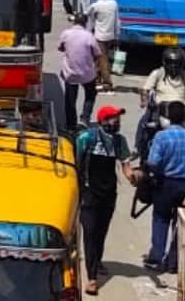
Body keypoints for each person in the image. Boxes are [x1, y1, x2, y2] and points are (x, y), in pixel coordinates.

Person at [76, 106, 136, 295]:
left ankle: (97, 260)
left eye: (117, 119)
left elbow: (126, 165)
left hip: (109, 194)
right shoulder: (87, 138)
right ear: (102, 120)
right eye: (112, 119)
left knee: (101, 232)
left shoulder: (119, 141)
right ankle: (92, 278)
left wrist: (133, 177)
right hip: (89, 193)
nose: (116, 122)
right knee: (90, 232)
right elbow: (76, 162)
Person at [143, 101, 185, 274]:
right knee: (181, 223)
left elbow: (154, 162)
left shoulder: (161, 137)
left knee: (161, 219)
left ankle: (156, 257)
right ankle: (174, 262)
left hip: (165, 184)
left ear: (168, 117)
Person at [59, 13, 112, 130]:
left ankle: (71, 124)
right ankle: (85, 119)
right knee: (90, 94)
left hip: (70, 73)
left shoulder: (66, 34)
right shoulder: (89, 36)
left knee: (70, 100)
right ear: (85, 23)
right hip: (87, 74)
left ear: (74, 22)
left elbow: (61, 48)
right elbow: (97, 54)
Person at [85, 0, 120, 83]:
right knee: (101, 58)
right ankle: (96, 78)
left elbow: (87, 16)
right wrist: (117, 36)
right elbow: (117, 21)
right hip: (111, 36)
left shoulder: (95, 6)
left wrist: (87, 33)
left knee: (102, 59)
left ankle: (108, 82)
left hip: (100, 37)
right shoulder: (113, 3)